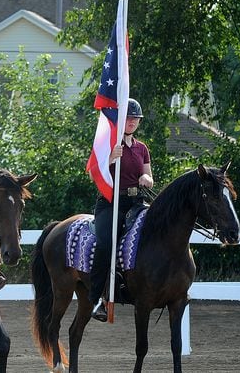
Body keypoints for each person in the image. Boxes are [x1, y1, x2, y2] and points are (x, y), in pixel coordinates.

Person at [89, 98, 154, 321]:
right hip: (110, 203)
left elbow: (148, 175)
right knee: (106, 243)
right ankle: (97, 298)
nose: (132, 122)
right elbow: (92, 173)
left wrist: (146, 178)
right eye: (129, 118)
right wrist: (110, 158)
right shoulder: (109, 144)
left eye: (136, 119)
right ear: (120, 120)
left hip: (136, 203)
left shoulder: (141, 148)